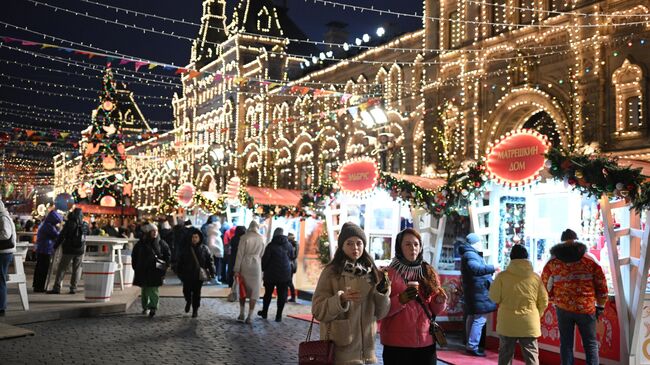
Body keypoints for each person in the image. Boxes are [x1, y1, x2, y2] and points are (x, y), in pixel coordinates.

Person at [312, 222, 391, 365]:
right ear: (341, 246)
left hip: (367, 353)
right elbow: (318, 310)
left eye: (359, 243)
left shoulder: (372, 272)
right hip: (340, 352)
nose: (355, 247)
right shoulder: (331, 272)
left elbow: (381, 313)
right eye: (349, 243)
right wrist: (340, 300)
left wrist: (382, 292)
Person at [380, 228, 447, 364]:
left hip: (426, 342)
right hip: (397, 345)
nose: (413, 248)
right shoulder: (387, 274)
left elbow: (434, 310)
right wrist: (400, 300)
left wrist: (439, 301)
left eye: (416, 244)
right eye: (408, 244)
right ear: (399, 247)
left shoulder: (428, 272)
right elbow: (380, 311)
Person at [541, 229, 607, 365]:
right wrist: (600, 305)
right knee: (590, 344)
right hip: (586, 307)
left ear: (561, 241)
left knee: (566, 344)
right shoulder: (589, 259)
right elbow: (601, 283)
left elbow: (543, 283)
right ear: (576, 239)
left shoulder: (553, 261)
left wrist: (553, 299)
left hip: (563, 307)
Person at [489, 244, 548, 365]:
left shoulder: (502, 276)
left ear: (511, 258)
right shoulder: (535, 277)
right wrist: (537, 314)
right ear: (527, 258)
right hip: (529, 322)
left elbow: (494, 297)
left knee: (505, 354)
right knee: (531, 355)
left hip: (507, 322)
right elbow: (544, 300)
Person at [459, 233, 497, 357]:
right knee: (480, 319)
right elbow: (475, 269)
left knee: (472, 317)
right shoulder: (471, 254)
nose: (481, 244)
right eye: (480, 242)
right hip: (478, 291)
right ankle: (472, 346)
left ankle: (470, 345)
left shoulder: (469, 254)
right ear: (474, 244)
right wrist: (492, 268)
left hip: (474, 291)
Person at [131, 223, 171, 318]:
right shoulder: (141, 243)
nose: (155, 233)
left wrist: (166, 265)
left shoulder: (161, 243)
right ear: (148, 232)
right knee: (144, 289)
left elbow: (167, 254)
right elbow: (135, 256)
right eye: (152, 231)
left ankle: (153, 307)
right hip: (143, 270)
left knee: (153, 289)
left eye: (156, 231)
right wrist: (135, 267)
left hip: (155, 271)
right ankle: (145, 306)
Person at [176, 228, 215, 318]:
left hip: (198, 275)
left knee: (197, 293)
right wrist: (179, 273)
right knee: (186, 291)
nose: (194, 239)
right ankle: (188, 301)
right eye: (193, 237)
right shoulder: (185, 249)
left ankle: (195, 310)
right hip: (187, 275)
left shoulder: (204, 248)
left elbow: (210, 261)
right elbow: (179, 262)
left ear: (199, 238)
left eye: (196, 237)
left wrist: (212, 272)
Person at [49, 208, 87, 294]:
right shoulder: (84, 224)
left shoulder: (69, 223)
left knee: (62, 268)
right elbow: (86, 236)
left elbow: (62, 236)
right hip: (80, 250)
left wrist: (55, 246)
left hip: (68, 249)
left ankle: (57, 287)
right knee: (76, 270)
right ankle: (73, 288)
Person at [258, 228, 293, 322]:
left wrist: (263, 269)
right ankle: (278, 316)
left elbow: (265, 260)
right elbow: (292, 256)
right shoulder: (289, 245)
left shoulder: (270, 246)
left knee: (268, 293)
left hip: (271, 274)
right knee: (282, 295)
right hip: (285, 274)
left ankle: (264, 312)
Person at [234, 220, 265, 324]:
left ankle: (241, 313)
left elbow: (239, 254)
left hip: (245, 264)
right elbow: (262, 253)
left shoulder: (244, 237)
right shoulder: (261, 238)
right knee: (254, 291)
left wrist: (236, 270)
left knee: (243, 289)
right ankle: (250, 316)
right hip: (256, 265)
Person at [33, 210, 62, 293]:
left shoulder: (45, 224)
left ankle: (37, 285)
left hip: (42, 248)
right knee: (43, 269)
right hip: (46, 249)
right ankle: (39, 287)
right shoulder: (49, 226)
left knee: (39, 268)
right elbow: (57, 235)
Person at [0, 200, 17, 316]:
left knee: (0, 279)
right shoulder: (4, 216)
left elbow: (6, 234)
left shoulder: (3, 217)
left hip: (3, 252)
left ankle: (1, 307)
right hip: (4, 252)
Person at [205, 217, 223, 284]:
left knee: (215, 266)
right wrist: (219, 248)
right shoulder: (213, 234)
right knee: (215, 266)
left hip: (215, 253)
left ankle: (214, 278)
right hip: (215, 253)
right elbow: (211, 244)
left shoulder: (214, 233)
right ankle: (214, 278)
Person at [287, 232, 298, 302]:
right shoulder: (294, 244)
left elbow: (293, 256)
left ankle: (293, 297)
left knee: (289, 281)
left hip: (290, 264)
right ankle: (292, 297)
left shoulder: (293, 245)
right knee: (288, 281)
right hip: (291, 264)